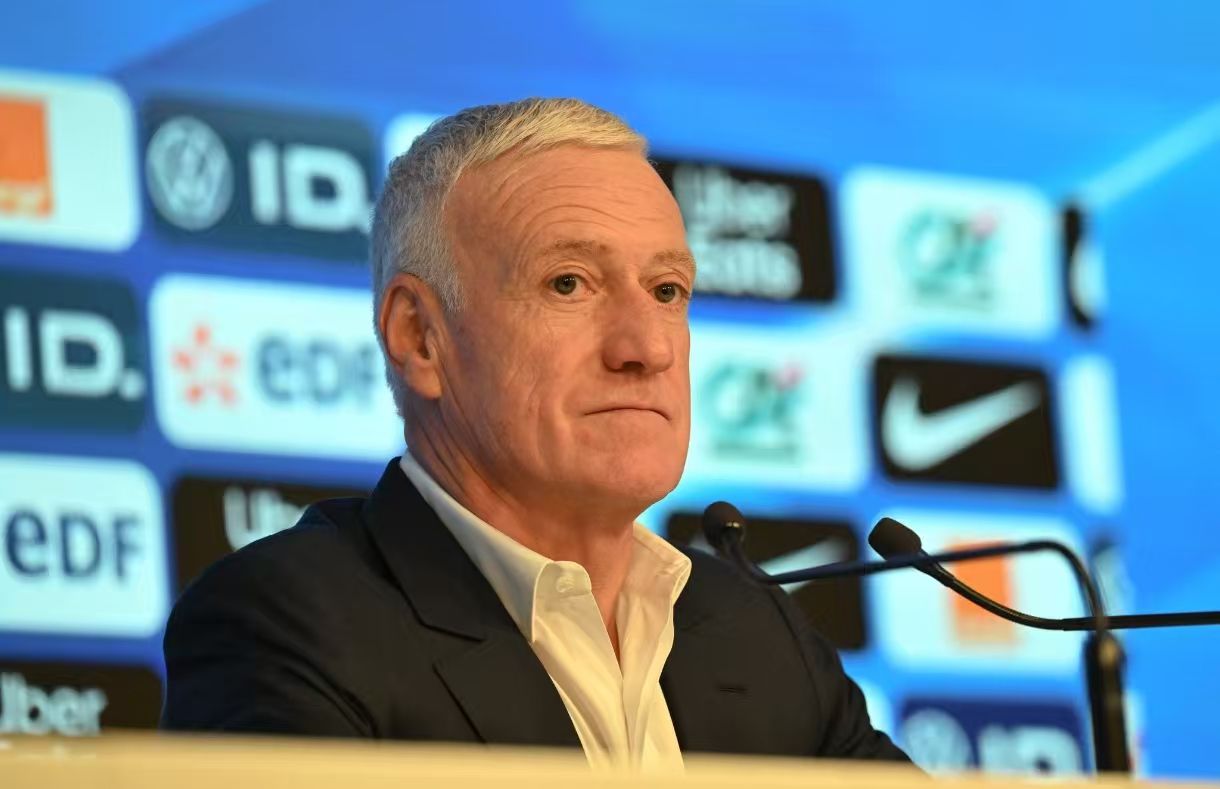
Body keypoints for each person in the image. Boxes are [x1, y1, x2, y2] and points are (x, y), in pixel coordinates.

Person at [160, 98, 909, 770]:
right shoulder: (286, 623)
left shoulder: (758, 631)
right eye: (568, 283)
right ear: (420, 337)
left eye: (666, 290)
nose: (647, 347)